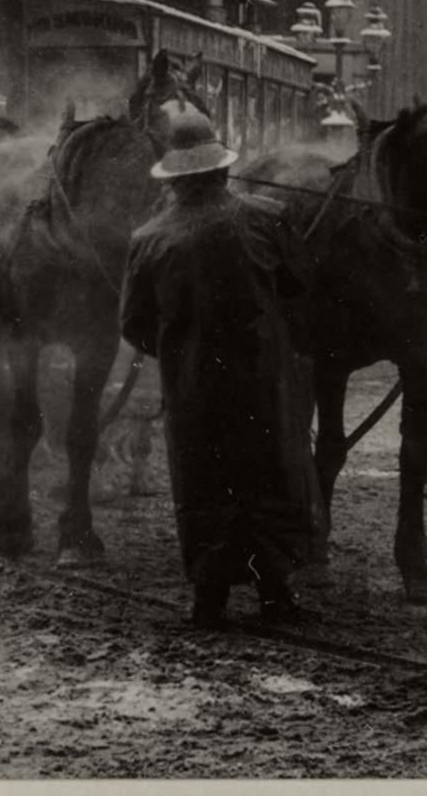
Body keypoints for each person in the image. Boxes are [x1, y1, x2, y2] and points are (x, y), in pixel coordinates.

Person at [119, 104, 320, 629]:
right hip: (264, 383)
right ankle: (275, 594)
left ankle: (209, 600)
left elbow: (133, 324)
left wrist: (182, 350)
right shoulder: (267, 218)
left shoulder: (148, 239)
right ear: (223, 168)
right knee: (268, 479)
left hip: (193, 389)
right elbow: (299, 286)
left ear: (176, 180)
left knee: (205, 484)